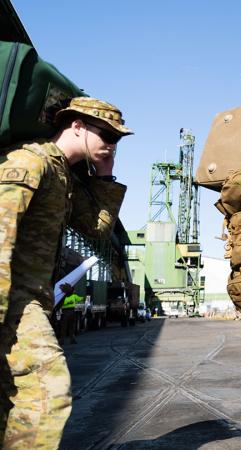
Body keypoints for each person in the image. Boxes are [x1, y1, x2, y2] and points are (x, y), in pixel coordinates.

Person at [0, 97, 131, 449]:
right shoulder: (29, 161)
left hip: (33, 300)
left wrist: (105, 175)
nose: (111, 144)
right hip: (12, 299)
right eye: (106, 134)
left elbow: (96, 228)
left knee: (10, 401)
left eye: (117, 139)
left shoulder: (64, 178)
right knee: (48, 390)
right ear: (75, 125)